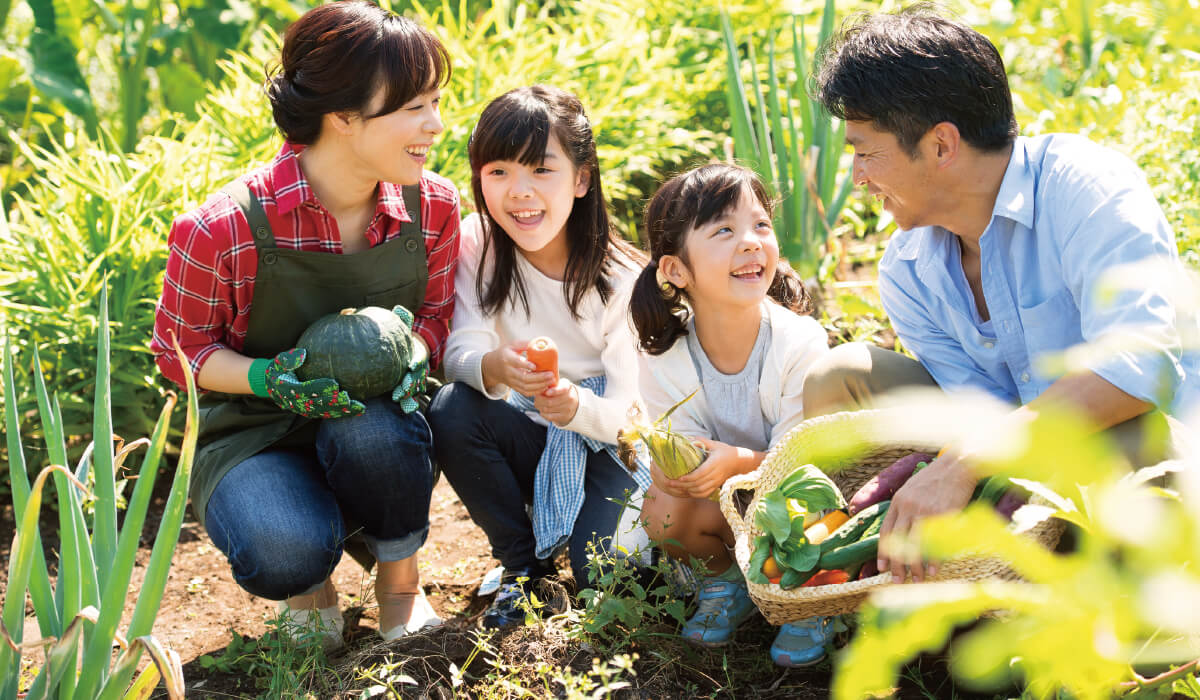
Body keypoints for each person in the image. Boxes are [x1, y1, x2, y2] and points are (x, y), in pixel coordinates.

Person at [803, 6, 1195, 584]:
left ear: (941, 145)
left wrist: (965, 462)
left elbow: (1142, 368)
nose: (859, 176)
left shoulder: (1086, 188)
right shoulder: (908, 268)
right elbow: (979, 412)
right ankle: (897, 582)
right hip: (1026, 456)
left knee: (1134, 432)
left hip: (1147, 457)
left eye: (866, 152)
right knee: (840, 376)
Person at [151, 0, 460, 647]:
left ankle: (400, 587)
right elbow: (180, 352)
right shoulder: (221, 229)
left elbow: (435, 315)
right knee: (284, 548)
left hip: (369, 417)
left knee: (375, 431)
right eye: (415, 107)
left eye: (437, 101)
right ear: (343, 116)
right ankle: (310, 582)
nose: (436, 125)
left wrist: (415, 352)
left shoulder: (432, 205)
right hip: (252, 433)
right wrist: (270, 377)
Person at [428, 85, 650, 629]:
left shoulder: (623, 279)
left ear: (581, 178)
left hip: (608, 445)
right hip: (529, 431)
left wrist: (574, 406)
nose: (518, 193)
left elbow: (632, 417)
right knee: (454, 408)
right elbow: (462, 345)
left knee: (607, 573)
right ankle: (521, 570)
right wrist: (491, 367)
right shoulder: (479, 242)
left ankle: (594, 541)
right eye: (498, 171)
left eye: (540, 170)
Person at [629, 163, 832, 666]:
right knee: (664, 505)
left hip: (804, 498)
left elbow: (806, 462)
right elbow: (686, 452)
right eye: (724, 230)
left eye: (760, 225)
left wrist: (740, 462)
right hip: (731, 505)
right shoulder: (665, 358)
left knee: (806, 504)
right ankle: (727, 583)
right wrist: (680, 470)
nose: (750, 242)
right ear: (676, 271)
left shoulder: (798, 342)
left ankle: (814, 597)